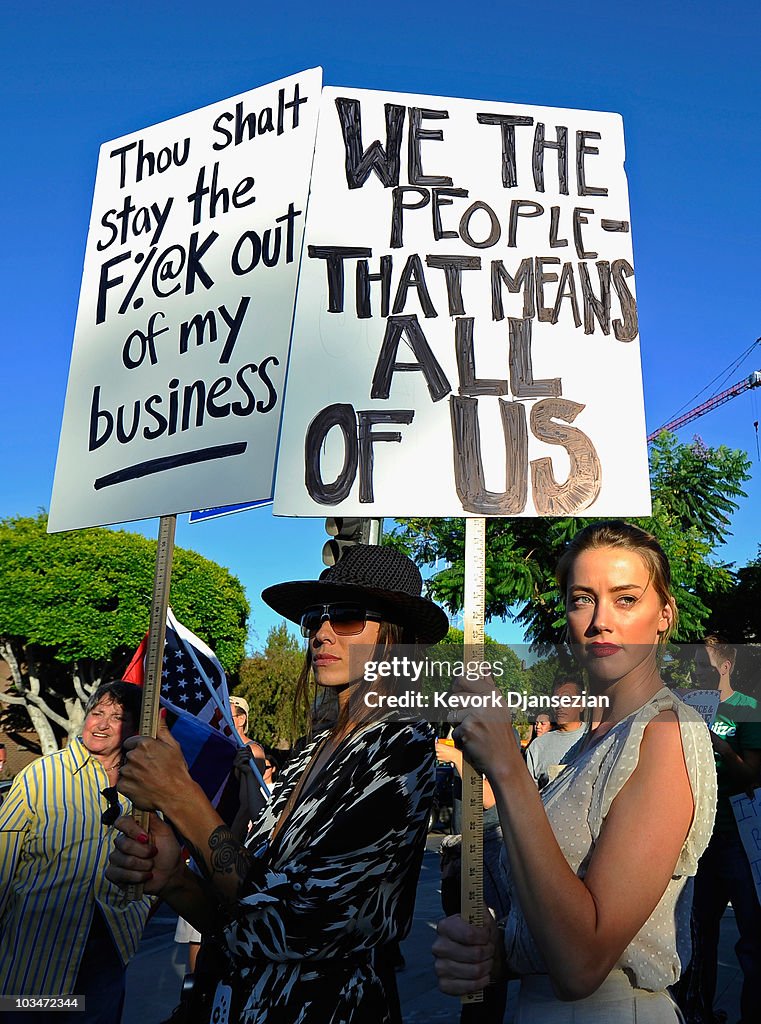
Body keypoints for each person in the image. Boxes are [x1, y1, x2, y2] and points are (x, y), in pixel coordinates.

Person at [107, 544, 449, 1024]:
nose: (322, 633)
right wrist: (175, 880)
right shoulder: (314, 750)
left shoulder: (401, 745)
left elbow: (301, 925)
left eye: (348, 617)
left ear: (398, 638)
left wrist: (181, 798)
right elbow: (243, 916)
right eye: (314, 618)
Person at [433, 521, 717, 1023]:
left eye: (626, 599)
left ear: (664, 615)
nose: (600, 621)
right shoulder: (593, 742)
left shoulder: (666, 732)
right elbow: (551, 917)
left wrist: (507, 765)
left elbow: (582, 964)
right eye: (582, 599)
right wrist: (496, 953)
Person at [0, 681, 151, 1022]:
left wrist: (138, 911)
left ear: (136, 727)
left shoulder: (145, 787)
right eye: (96, 713)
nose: (101, 724)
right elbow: (3, 861)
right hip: (36, 953)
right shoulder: (40, 776)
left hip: (107, 953)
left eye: (116, 717)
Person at [674, 636, 761, 1024]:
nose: (696, 671)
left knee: (751, 938)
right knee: (698, 934)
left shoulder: (748, 709)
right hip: (698, 836)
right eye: (694, 665)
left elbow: (752, 776)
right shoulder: (688, 707)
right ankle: (699, 1011)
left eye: (703, 664)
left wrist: (718, 746)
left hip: (738, 839)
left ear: (724, 667)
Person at [525, 676, 587, 790]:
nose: (559, 705)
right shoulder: (537, 746)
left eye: (566, 700)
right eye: (555, 700)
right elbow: (529, 796)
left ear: (582, 705)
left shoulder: (594, 737)